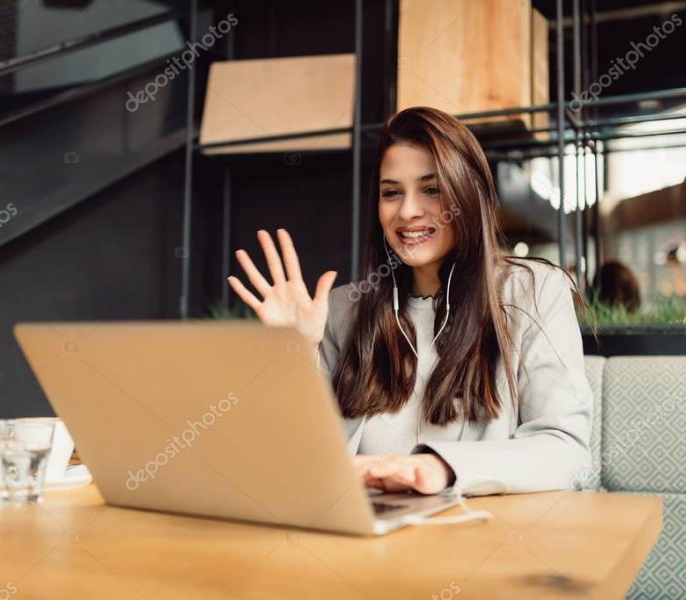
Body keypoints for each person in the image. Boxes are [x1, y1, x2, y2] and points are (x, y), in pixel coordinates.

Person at [228, 106, 592, 497]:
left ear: (468, 194)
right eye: (391, 192)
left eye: (431, 189)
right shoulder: (344, 311)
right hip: (368, 538)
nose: (408, 211)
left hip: (484, 539)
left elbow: (566, 452)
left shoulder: (533, 292)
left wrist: (441, 467)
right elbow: (304, 463)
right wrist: (298, 354)